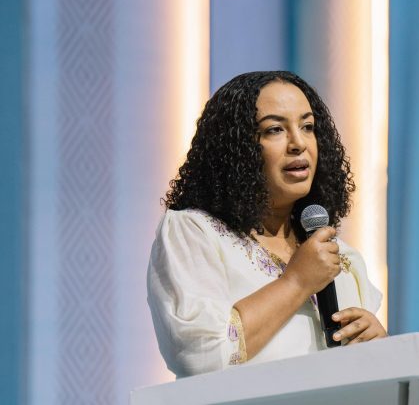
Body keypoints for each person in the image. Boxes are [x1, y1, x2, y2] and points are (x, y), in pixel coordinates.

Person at [147, 71, 386, 378]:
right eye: (275, 129)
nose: (298, 143)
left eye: (308, 127)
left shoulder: (343, 258)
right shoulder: (193, 232)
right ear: (235, 148)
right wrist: (295, 282)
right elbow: (199, 355)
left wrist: (380, 349)